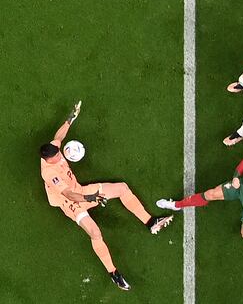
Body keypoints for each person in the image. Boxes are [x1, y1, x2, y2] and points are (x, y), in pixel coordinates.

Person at [40, 101, 173, 291]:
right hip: (70, 203)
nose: (61, 157)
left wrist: (71, 116)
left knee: (122, 188)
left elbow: (59, 137)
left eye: (59, 154)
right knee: (95, 233)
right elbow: (69, 194)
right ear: (47, 160)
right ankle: (114, 273)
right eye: (56, 158)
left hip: (80, 190)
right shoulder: (49, 174)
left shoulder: (53, 150)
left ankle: (150, 222)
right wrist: (90, 198)